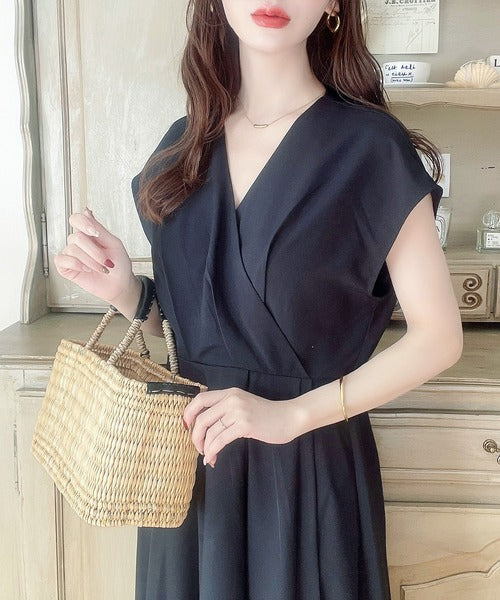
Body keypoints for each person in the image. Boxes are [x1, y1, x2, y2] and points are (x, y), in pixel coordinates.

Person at [54, 1, 463, 598]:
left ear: (333, 5)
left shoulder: (371, 148)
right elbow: (193, 335)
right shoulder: (182, 148)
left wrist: (290, 416)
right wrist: (129, 293)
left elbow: (439, 337)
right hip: (189, 475)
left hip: (308, 471)